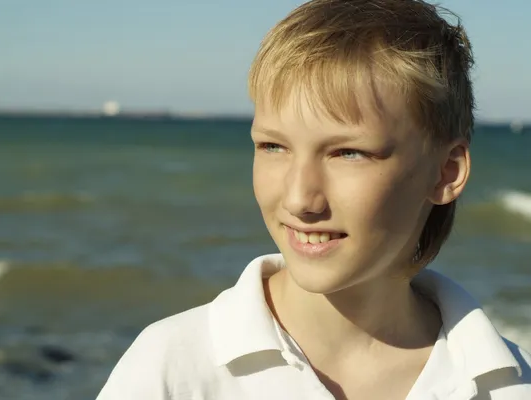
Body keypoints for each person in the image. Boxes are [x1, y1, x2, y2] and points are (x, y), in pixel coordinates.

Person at [97, 0, 531, 399]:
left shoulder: (506, 384)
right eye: (273, 146)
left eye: (348, 153)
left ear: (446, 172)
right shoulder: (173, 370)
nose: (300, 198)